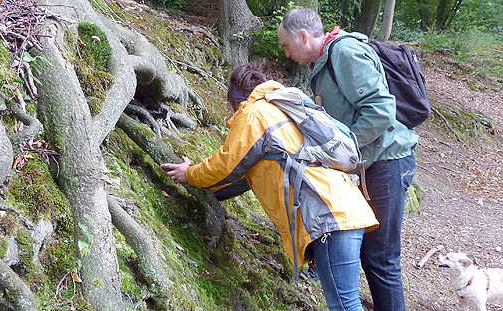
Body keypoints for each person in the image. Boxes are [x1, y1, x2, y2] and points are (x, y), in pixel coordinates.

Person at [161, 64, 378, 311]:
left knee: (344, 305)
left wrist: (189, 174)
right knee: (346, 302)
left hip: (328, 216)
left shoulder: (254, 114)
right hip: (344, 206)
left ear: (235, 98)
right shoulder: (284, 106)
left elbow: (227, 165)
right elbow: (243, 176)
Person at [278, 8, 419, 311]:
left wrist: (342, 150)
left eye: (287, 46)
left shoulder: (344, 52)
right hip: (370, 165)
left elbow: (380, 110)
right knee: (371, 254)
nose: (287, 55)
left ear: (303, 36)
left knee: (381, 258)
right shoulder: (322, 63)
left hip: (388, 162)